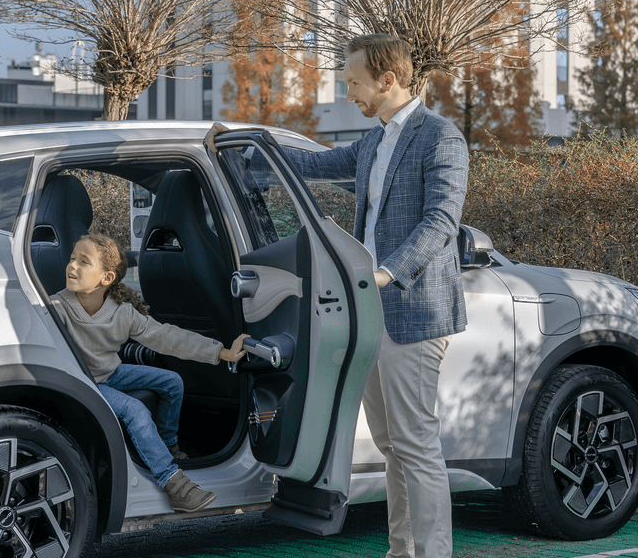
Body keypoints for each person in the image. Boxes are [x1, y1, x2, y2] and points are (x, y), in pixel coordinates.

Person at [274, 34, 469, 558]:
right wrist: (255, 147)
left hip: (412, 312)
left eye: (355, 83)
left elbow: (441, 223)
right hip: (369, 312)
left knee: (416, 446)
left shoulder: (440, 138)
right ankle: (400, 550)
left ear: (387, 81)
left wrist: (385, 273)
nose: (349, 93)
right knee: (391, 446)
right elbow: (317, 165)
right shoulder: (375, 140)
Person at [47, 233, 250, 512]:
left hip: (110, 373)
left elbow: (166, 337)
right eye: (72, 258)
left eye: (83, 262)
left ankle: (167, 444)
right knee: (135, 411)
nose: (72, 266)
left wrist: (221, 352)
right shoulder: (56, 308)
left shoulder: (122, 313)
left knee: (172, 382)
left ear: (106, 278)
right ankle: (174, 485)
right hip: (83, 382)